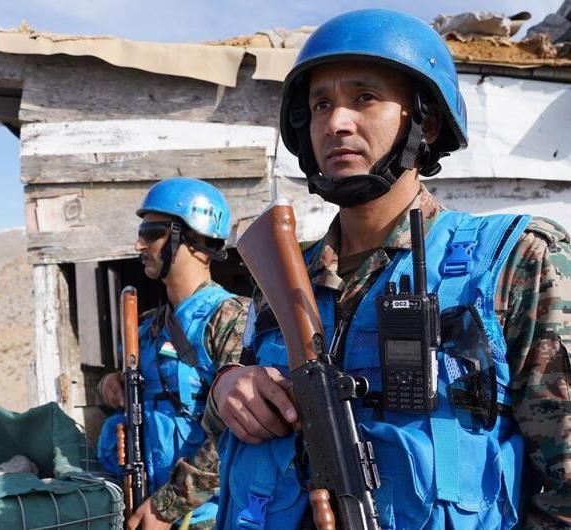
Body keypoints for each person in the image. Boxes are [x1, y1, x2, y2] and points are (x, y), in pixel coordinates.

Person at [207, 9, 571, 530]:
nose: (336, 123)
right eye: (321, 104)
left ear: (426, 122)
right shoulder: (283, 276)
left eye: (364, 98)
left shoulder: (515, 260)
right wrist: (228, 387)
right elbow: (227, 416)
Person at [95, 177, 250, 530]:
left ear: (194, 237)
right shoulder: (147, 328)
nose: (139, 244)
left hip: (210, 518)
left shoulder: (230, 318)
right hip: (145, 509)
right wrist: (108, 387)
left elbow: (237, 431)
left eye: (151, 233)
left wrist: (167, 506)